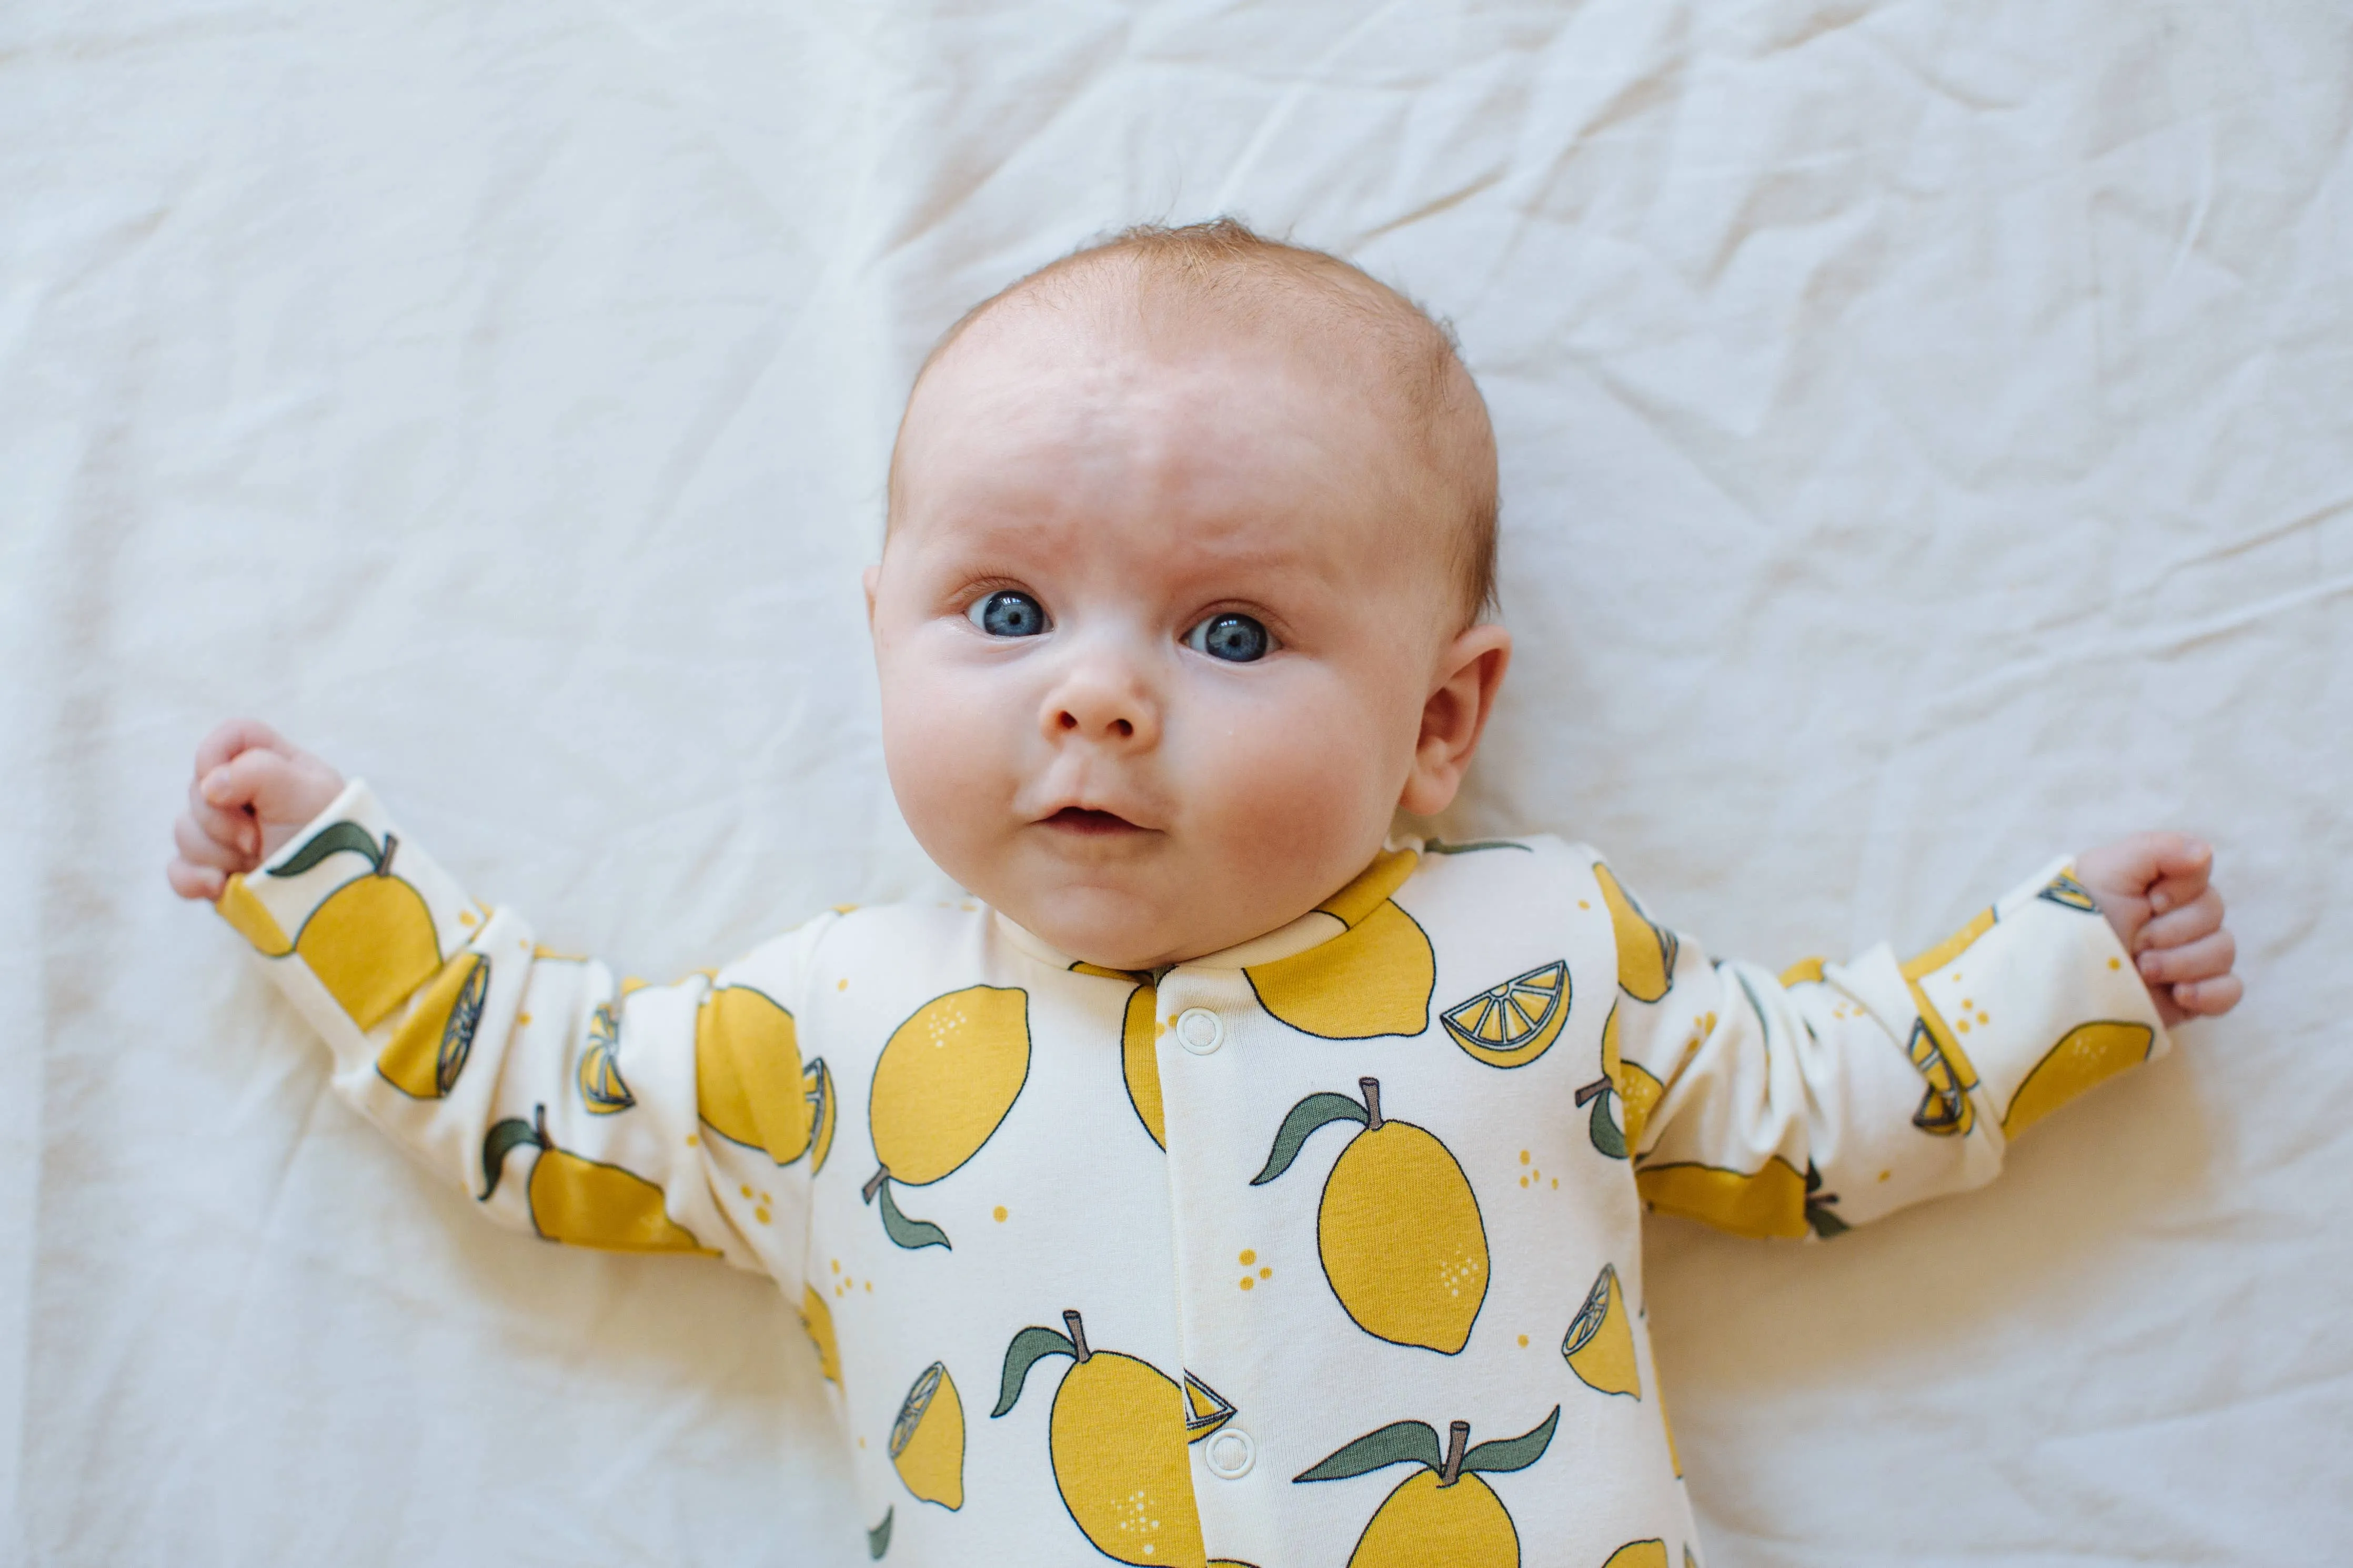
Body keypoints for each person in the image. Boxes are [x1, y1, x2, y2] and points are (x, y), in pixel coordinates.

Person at [165, 220, 2241, 1567]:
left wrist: (2053, 973)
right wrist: (335, 883)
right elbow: (543, 1098)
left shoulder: (1530, 952)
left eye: (1230, 635)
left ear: (1438, 726)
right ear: (877, 632)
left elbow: (1804, 1103)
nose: (1096, 695)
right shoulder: (817, 1029)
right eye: (1001, 609)